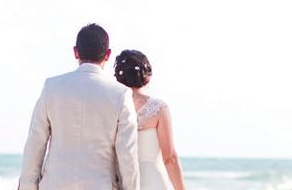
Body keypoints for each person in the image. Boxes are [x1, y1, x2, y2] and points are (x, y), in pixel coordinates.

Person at [18, 24, 140, 190]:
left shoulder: (52, 87)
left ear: (76, 52)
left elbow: (35, 144)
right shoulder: (121, 94)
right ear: (108, 54)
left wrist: (27, 186)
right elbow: (128, 156)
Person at [114, 50, 187, 190]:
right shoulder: (159, 109)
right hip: (154, 182)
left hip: (123, 182)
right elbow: (169, 157)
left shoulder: (111, 107)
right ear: (147, 77)